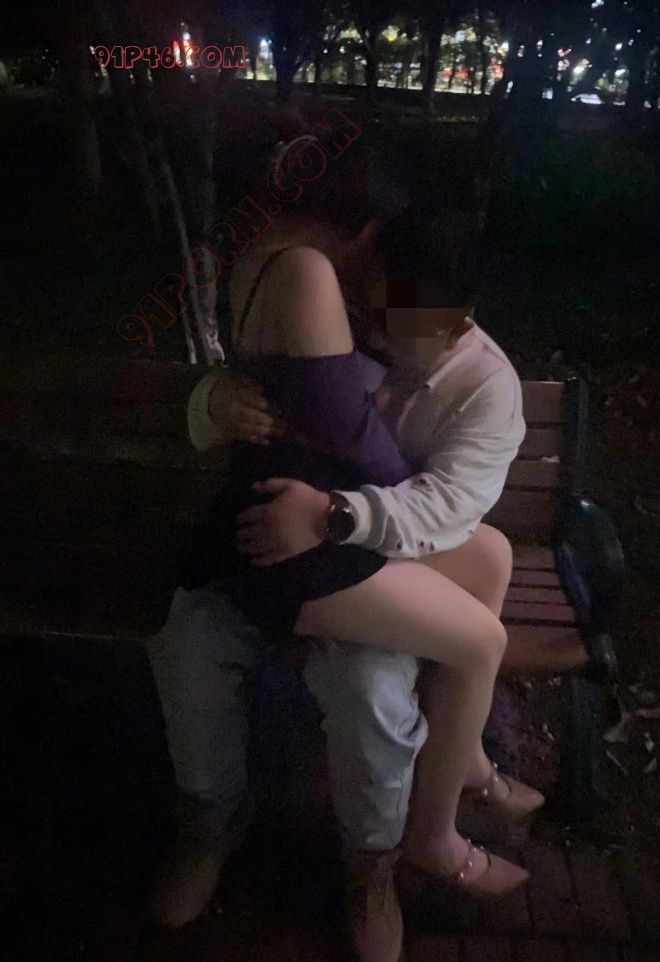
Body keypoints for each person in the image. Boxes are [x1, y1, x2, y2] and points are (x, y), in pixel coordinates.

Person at [147, 133, 532, 961]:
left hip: (323, 527)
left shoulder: (275, 263)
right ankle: (427, 837)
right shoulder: (315, 276)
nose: (378, 305)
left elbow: (380, 462)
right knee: (481, 643)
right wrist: (221, 409)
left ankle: (454, 765)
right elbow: (348, 436)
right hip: (298, 546)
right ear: (363, 226)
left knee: (492, 557)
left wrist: (338, 509)